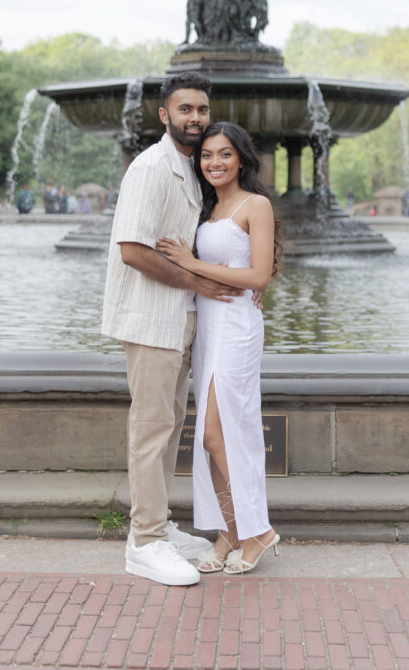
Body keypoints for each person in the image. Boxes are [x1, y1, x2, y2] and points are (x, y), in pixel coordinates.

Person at [100, 72, 244, 587]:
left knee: (168, 430)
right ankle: (144, 542)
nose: (196, 118)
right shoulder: (152, 166)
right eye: (185, 110)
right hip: (151, 316)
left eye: (202, 109)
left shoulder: (190, 167)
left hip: (178, 318)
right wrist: (198, 284)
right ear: (165, 115)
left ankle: (157, 527)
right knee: (152, 430)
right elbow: (133, 250)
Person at [157, 121, 281, 575]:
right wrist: (199, 269)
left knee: (220, 433)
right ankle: (230, 531)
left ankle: (258, 532)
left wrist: (194, 263)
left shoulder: (256, 205)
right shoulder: (206, 210)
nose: (215, 162)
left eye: (224, 154)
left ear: (242, 158)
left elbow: (259, 277)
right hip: (208, 328)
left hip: (237, 327)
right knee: (213, 439)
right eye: (207, 155)